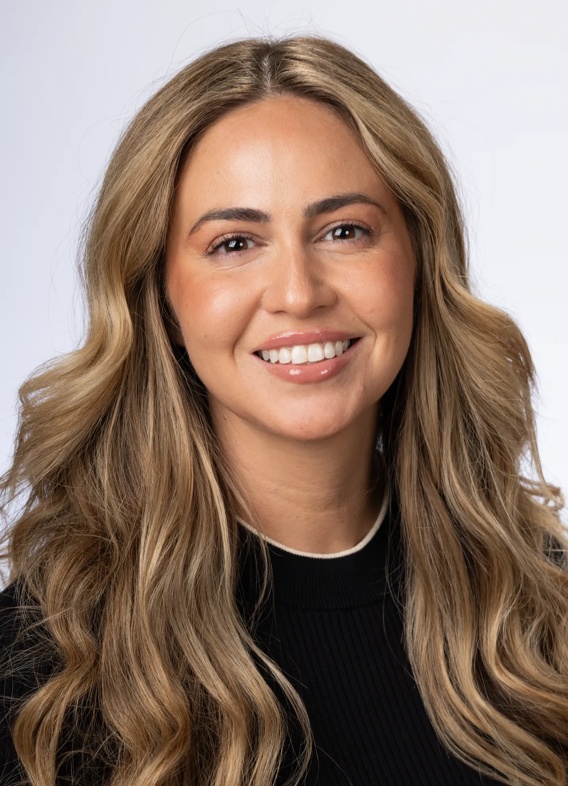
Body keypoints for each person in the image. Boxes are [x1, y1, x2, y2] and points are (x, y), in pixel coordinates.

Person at [1, 35, 567, 786]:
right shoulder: (47, 665)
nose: (299, 292)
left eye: (344, 231)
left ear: (420, 263)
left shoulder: (539, 610)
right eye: (235, 243)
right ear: (160, 299)